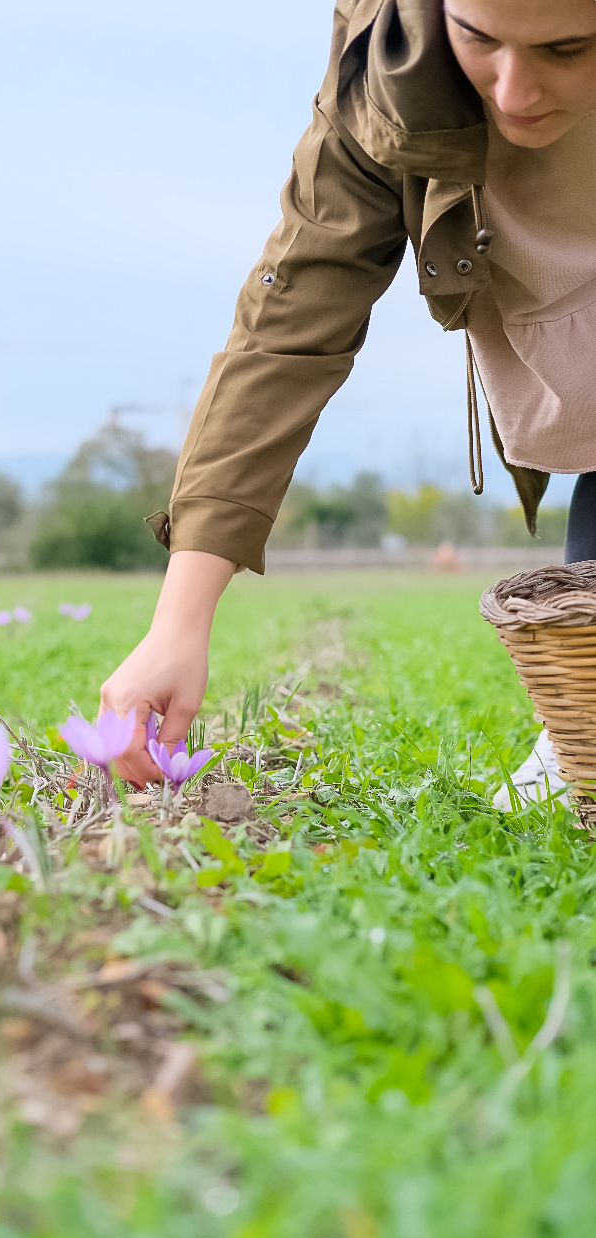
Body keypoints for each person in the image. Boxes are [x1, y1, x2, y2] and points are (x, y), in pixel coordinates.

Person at [100, 0, 596, 807]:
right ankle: (582, 728)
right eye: (479, 39)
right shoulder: (385, 78)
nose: (513, 92)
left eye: (565, 48)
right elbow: (289, 326)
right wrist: (177, 621)